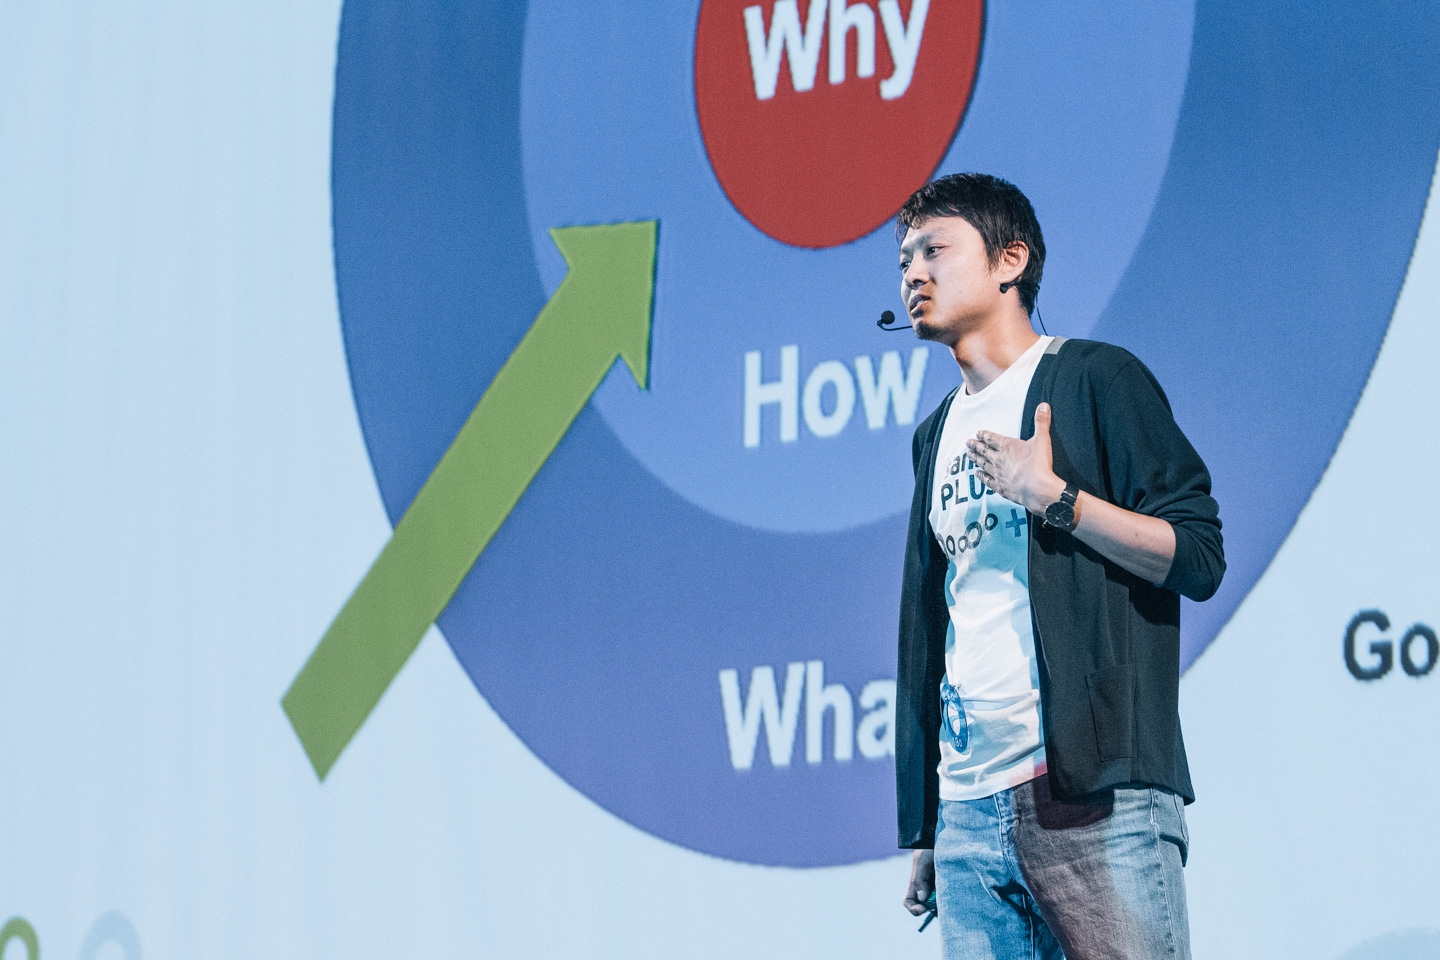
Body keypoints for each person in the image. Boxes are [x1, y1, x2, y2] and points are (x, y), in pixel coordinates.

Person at [891, 173, 1225, 960]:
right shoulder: (934, 435)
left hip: (1094, 793)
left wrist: (1055, 497)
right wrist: (930, 823)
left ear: (1010, 260)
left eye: (934, 250)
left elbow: (1198, 556)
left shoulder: (1097, 380)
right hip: (969, 813)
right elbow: (932, 626)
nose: (912, 274)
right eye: (903, 261)